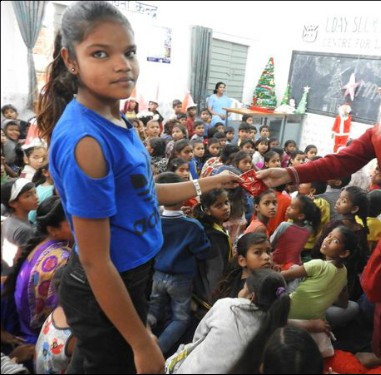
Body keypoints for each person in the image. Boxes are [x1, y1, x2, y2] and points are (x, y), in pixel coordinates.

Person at [36, 3, 241, 372]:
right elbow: (98, 261)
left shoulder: (115, 115)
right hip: (108, 285)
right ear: (70, 59)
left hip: (134, 274)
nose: (122, 64)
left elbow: (144, 194)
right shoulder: (86, 140)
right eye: (100, 53)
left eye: (129, 52)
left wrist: (210, 181)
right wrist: (143, 342)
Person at [166, 269, 290, 373]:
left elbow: (198, 336)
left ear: (251, 297)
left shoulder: (227, 305)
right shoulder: (275, 331)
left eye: (244, 288)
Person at [146, 173, 215, 355]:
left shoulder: (155, 220)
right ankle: (157, 351)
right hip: (181, 280)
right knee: (180, 318)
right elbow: (203, 251)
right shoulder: (193, 226)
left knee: (153, 310)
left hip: (157, 274)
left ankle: (143, 338)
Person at [5, 196, 72, 345]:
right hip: (39, 339)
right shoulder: (62, 260)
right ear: (53, 230)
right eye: (71, 221)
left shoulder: (41, 244)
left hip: (23, 327)